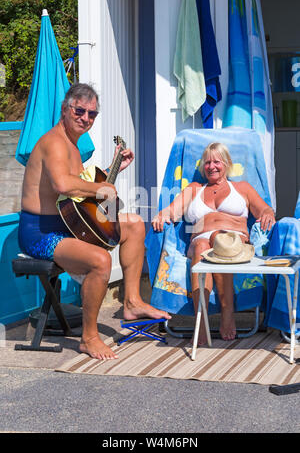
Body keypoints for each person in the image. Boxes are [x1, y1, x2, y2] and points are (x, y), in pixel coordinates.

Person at [19, 83, 170, 360]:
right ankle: (88, 338)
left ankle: (132, 302)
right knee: (100, 260)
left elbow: (81, 187)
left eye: (92, 114)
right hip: (39, 233)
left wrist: (111, 170)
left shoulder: (72, 145)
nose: (85, 118)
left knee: (135, 224)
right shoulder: (54, 142)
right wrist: (103, 190)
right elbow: (64, 185)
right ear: (66, 109)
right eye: (80, 111)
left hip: (65, 224)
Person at [152, 142, 275, 345]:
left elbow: (265, 210)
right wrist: (162, 214)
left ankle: (227, 313)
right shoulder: (194, 189)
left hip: (234, 242)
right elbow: (173, 210)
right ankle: (202, 321)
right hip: (199, 241)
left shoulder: (242, 188)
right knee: (202, 246)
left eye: (216, 161)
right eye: (207, 162)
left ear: (226, 163)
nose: (211, 166)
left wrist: (268, 215)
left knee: (219, 238)